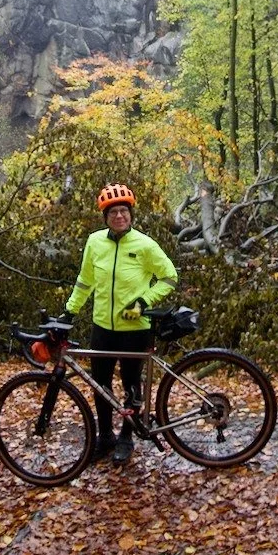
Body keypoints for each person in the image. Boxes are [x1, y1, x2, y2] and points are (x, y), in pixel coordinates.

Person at [60, 183, 178, 465]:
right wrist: (70, 311)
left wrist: (143, 302)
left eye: (123, 211)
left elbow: (169, 277)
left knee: (131, 386)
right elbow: (85, 281)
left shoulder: (145, 245)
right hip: (102, 327)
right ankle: (104, 437)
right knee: (100, 385)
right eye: (113, 212)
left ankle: (126, 437)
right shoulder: (94, 242)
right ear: (106, 217)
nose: (119, 216)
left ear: (131, 214)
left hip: (134, 330)